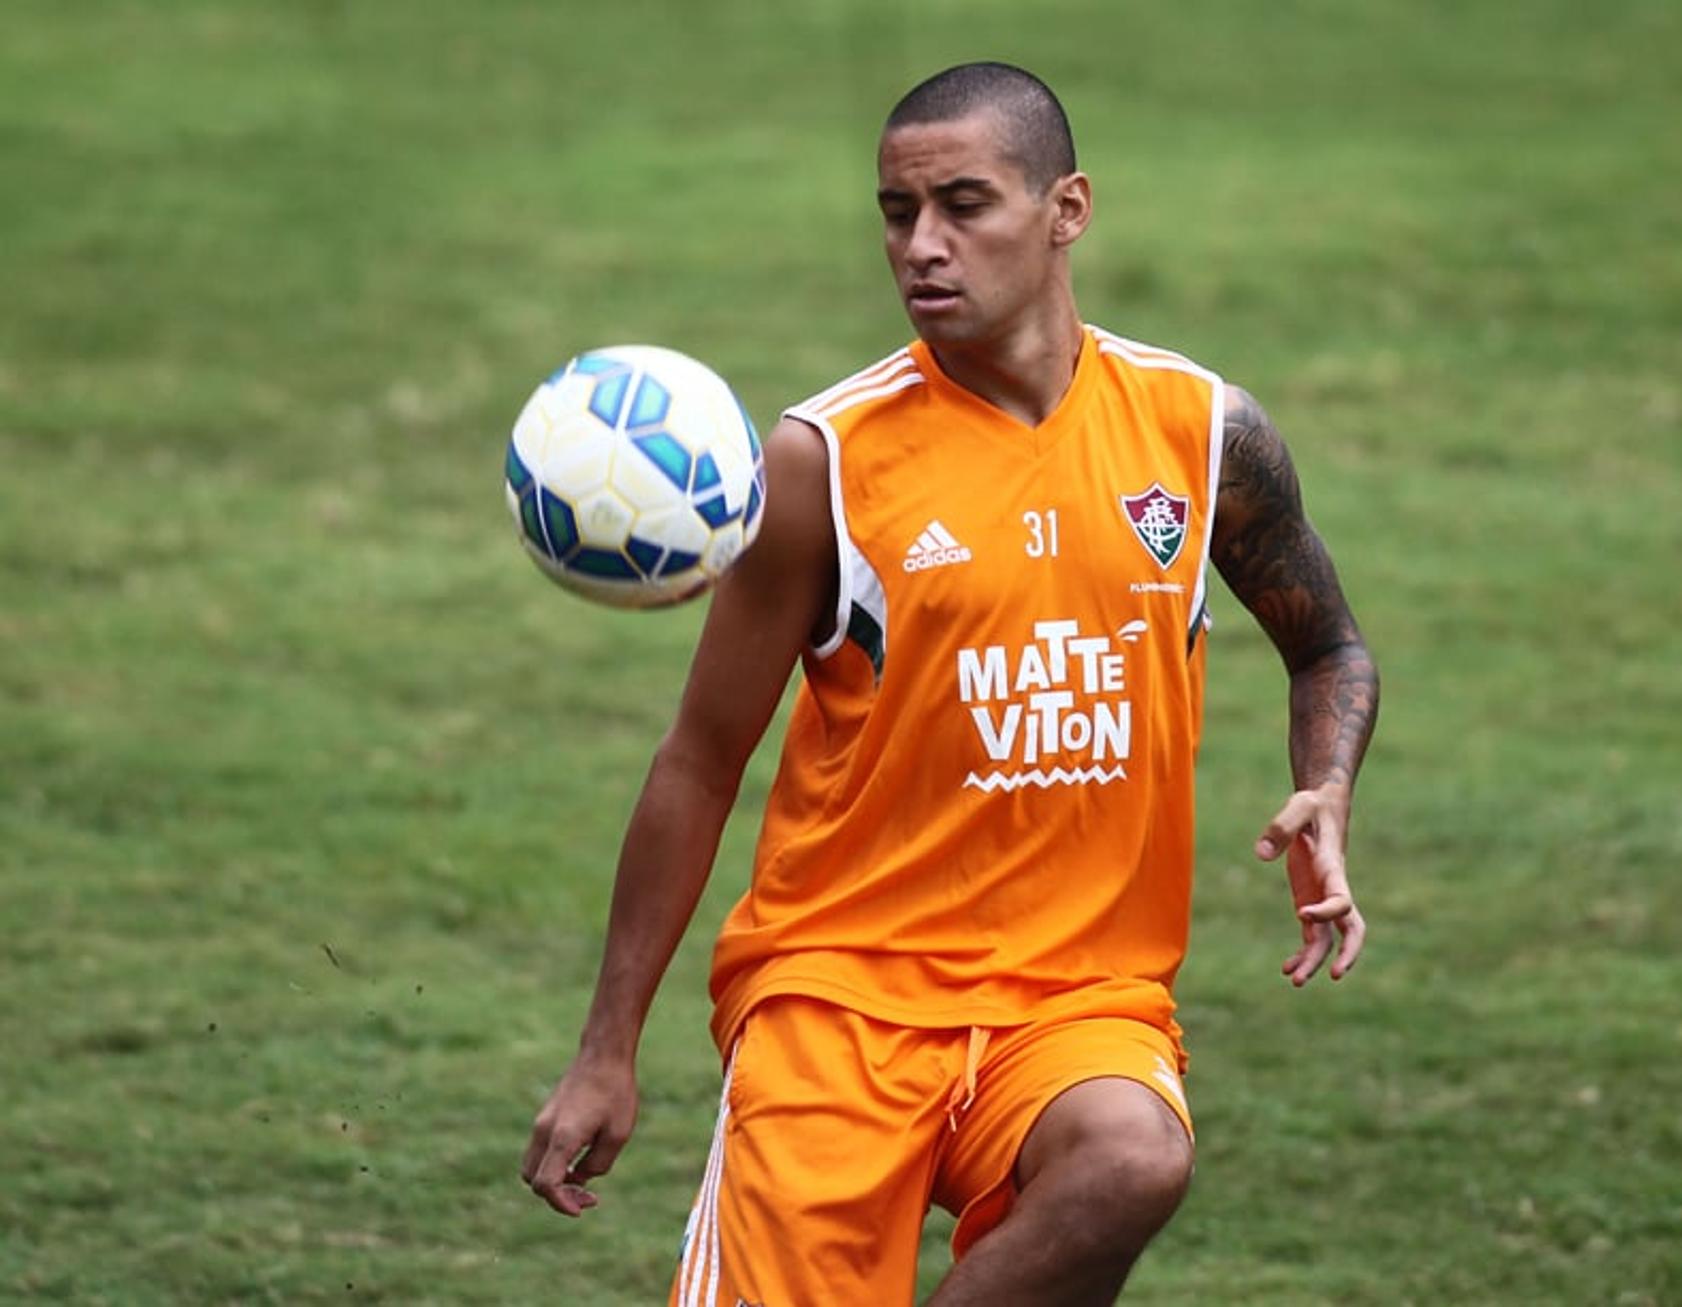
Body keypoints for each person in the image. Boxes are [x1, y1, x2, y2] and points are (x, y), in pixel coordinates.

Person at [520, 61, 1379, 1306]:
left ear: (1067, 208)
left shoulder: (1201, 434)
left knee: (1131, 1156)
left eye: (963, 205)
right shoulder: (823, 465)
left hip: (1077, 994)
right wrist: (608, 1049)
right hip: (838, 995)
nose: (921, 246)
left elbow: (1330, 644)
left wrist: (1327, 786)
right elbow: (700, 760)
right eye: (895, 211)